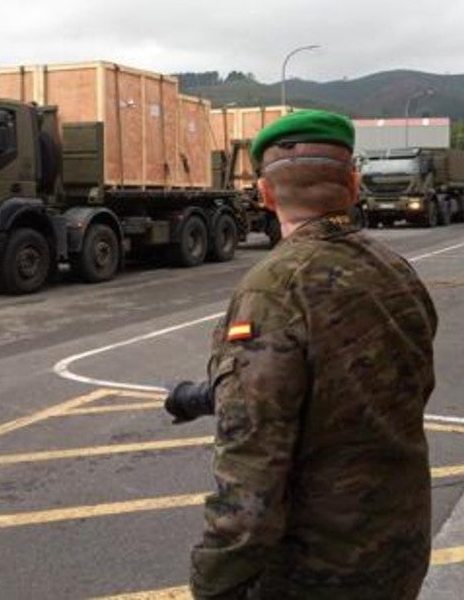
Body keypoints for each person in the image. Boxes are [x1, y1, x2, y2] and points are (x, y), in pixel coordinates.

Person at [186, 110, 438, 598]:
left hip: (316, 567)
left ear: (265, 193)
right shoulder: (396, 271)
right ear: (354, 183)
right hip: (399, 545)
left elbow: (251, 459)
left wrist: (214, 582)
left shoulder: (275, 288)